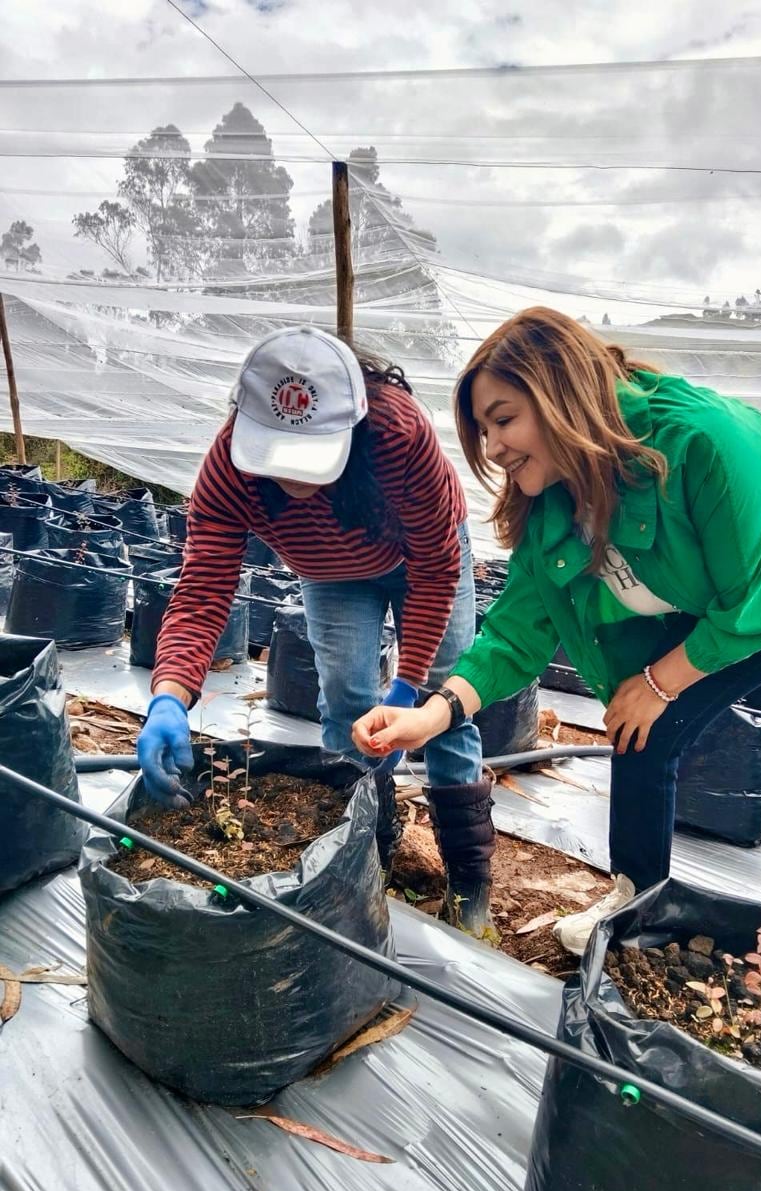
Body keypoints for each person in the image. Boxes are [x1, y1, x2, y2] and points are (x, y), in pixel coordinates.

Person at [352, 307, 761, 959]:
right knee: (637, 729)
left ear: (560, 394)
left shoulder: (707, 439)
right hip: (739, 608)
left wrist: (660, 680)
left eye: (504, 419)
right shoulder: (552, 504)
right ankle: (637, 908)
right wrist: (432, 716)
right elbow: (515, 633)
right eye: (483, 430)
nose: (492, 449)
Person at [135, 325, 497, 937]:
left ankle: (468, 884)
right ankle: (365, 856)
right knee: (348, 704)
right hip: (329, 574)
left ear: (351, 429)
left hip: (421, 559)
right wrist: (169, 694)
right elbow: (202, 588)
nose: (293, 482)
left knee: (446, 699)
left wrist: (409, 686)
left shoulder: (397, 435)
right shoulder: (229, 468)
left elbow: (437, 569)